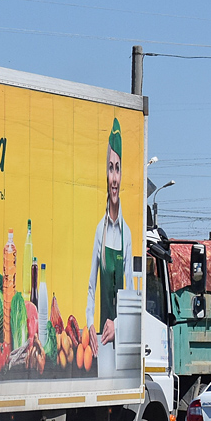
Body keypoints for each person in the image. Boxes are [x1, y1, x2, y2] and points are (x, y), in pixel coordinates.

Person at [87, 118, 133, 347]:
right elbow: (91, 287)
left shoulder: (127, 234)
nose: (114, 177)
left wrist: (118, 323)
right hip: (100, 340)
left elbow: (131, 294)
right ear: (106, 174)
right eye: (110, 168)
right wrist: (89, 325)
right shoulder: (100, 231)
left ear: (121, 174)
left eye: (118, 169)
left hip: (121, 338)